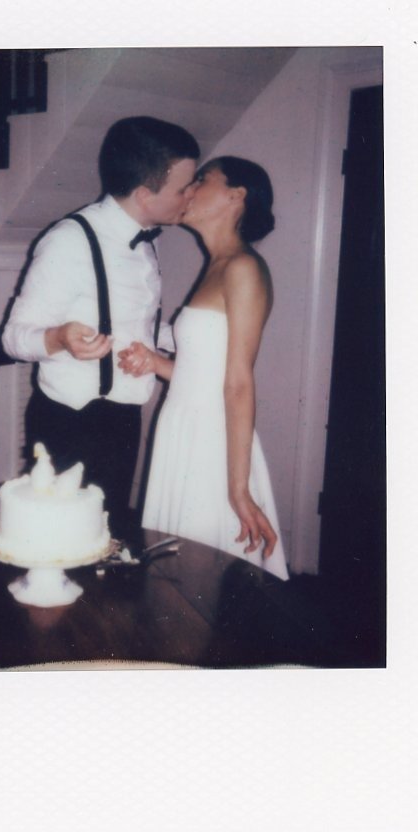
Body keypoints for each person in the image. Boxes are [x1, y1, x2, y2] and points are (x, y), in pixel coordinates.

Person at [1, 116, 200, 544]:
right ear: (145, 195)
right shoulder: (68, 242)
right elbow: (13, 338)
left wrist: (193, 336)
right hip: (69, 422)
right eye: (184, 187)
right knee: (56, 548)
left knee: (105, 543)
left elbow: (135, 325)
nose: (192, 194)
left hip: (123, 417)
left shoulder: (146, 238)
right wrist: (58, 339)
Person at [118, 156, 289, 579]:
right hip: (181, 429)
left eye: (202, 180)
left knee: (195, 580)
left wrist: (238, 488)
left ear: (237, 195)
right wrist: (156, 362)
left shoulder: (243, 267)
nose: (189, 190)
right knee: (172, 578)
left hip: (213, 443)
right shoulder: (216, 266)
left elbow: (238, 383)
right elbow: (205, 375)